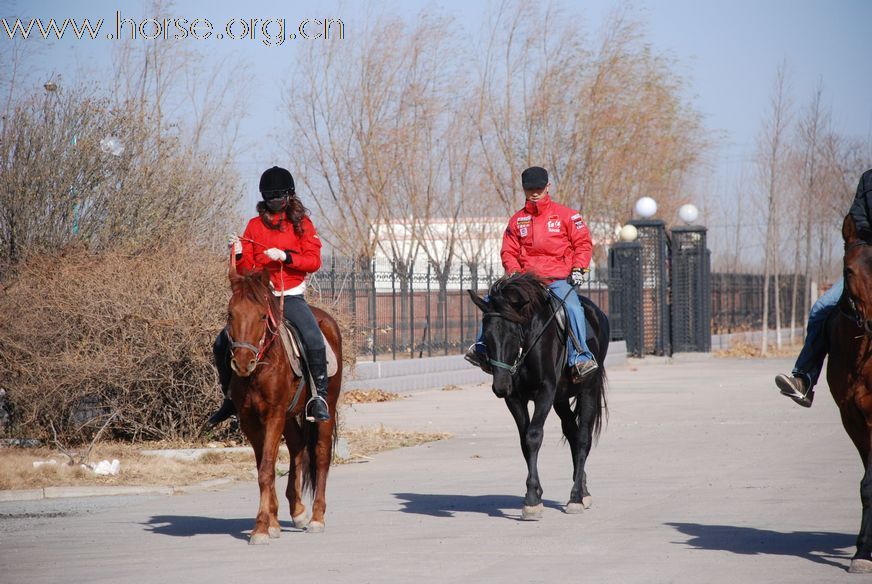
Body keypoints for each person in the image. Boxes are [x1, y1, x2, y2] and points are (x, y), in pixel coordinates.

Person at [206, 166, 331, 427]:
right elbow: (246, 271)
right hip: (262, 297)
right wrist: (239, 252)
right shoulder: (253, 226)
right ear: (263, 197)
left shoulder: (302, 225)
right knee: (221, 343)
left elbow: (314, 260)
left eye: (279, 197)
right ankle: (229, 398)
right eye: (270, 197)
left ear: (289, 196)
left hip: (290, 295)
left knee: (313, 337)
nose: (275, 202)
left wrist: (286, 256)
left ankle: (319, 397)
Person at [466, 166, 598, 384]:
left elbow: (582, 243)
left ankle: (580, 357)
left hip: (557, 280)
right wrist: (515, 273)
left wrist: (578, 268)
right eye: (530, 188)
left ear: (548, 186)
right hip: (526, 282)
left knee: (573, 307)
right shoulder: (517, 220)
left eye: (539, 188)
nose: (534, 192)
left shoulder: (568, 216)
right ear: (524, 189)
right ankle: (481, 348)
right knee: (492, 302)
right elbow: (508, 250)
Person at [776, 168, 872, 407]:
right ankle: (804, 379)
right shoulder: (868, 178)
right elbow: (856, 216)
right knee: (823, 306)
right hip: (868, 261)